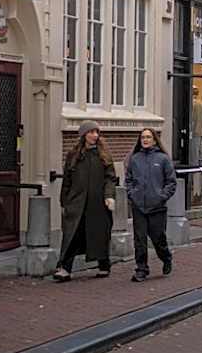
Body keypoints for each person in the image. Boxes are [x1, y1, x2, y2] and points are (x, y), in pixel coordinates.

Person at [54, 121, 117, 281]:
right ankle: (64, 268)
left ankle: (104, 265)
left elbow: (110, 178)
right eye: (91, 132)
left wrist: (109, 196)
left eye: (97, 132)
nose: (95, 135)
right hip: (77, 203)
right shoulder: (73, 155)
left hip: (98, 203)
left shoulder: (104, 155)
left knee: (99, 234)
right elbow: (67, 180)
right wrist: (64, 202)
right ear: (83, 135)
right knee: (72, 235)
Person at [125, 127, 177, 282]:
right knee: (139, 239)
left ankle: (166, 257)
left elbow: (171, 182)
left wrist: (161, 197)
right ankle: (141, 269)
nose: (145, 140)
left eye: (148, 137)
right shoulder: (134, 159)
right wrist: (132, 194)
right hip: (139, 206)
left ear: (154, 140)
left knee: (158, 239)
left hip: (157, 207)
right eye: (143, 137)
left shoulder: (163, 159)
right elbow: (128, 180)